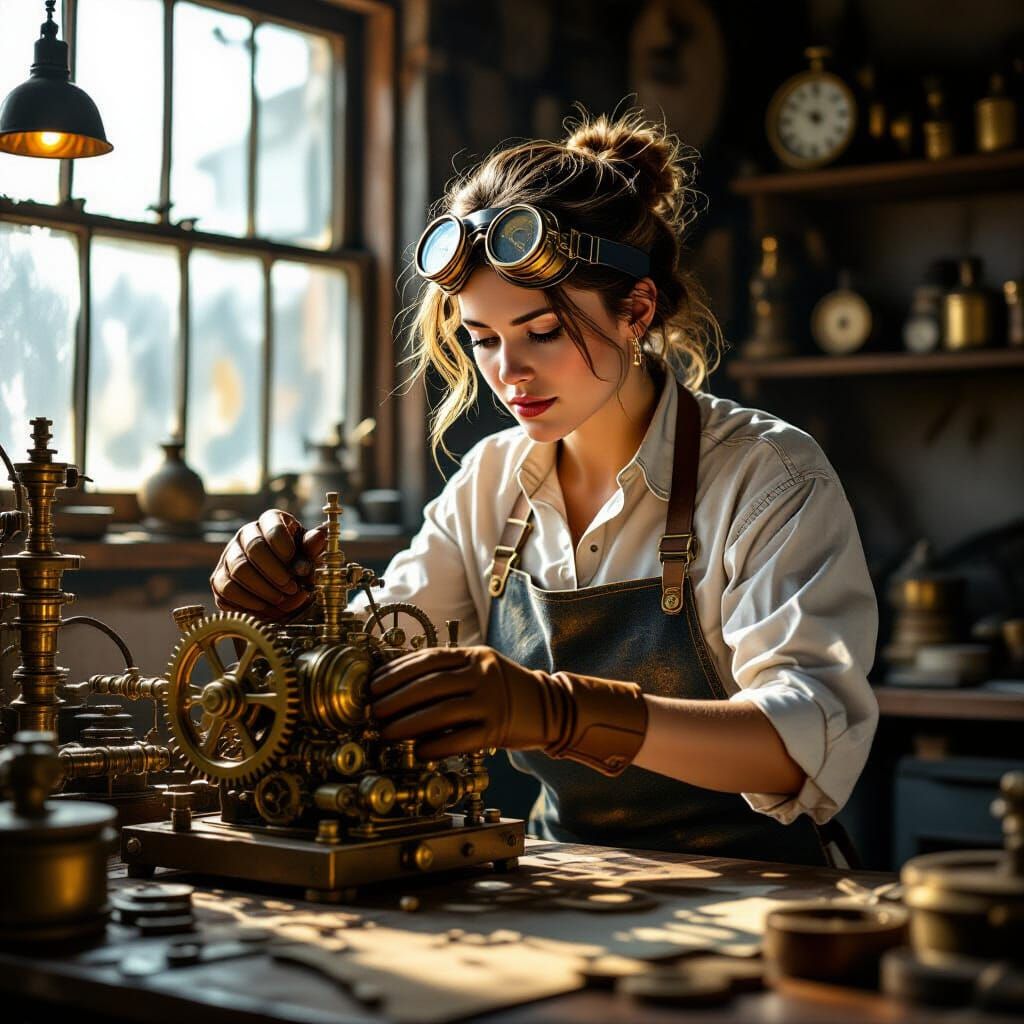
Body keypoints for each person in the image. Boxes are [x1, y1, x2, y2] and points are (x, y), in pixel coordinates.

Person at [211, 110, 879, 866]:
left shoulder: (768, 476)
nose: (508, 373)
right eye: (484, 339)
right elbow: (381, 658)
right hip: (565, 875)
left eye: (543, 331)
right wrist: (296, 606)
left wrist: (562, 713)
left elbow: (800, 744)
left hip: (761, 888)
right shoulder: (490, 482)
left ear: (636, 312)